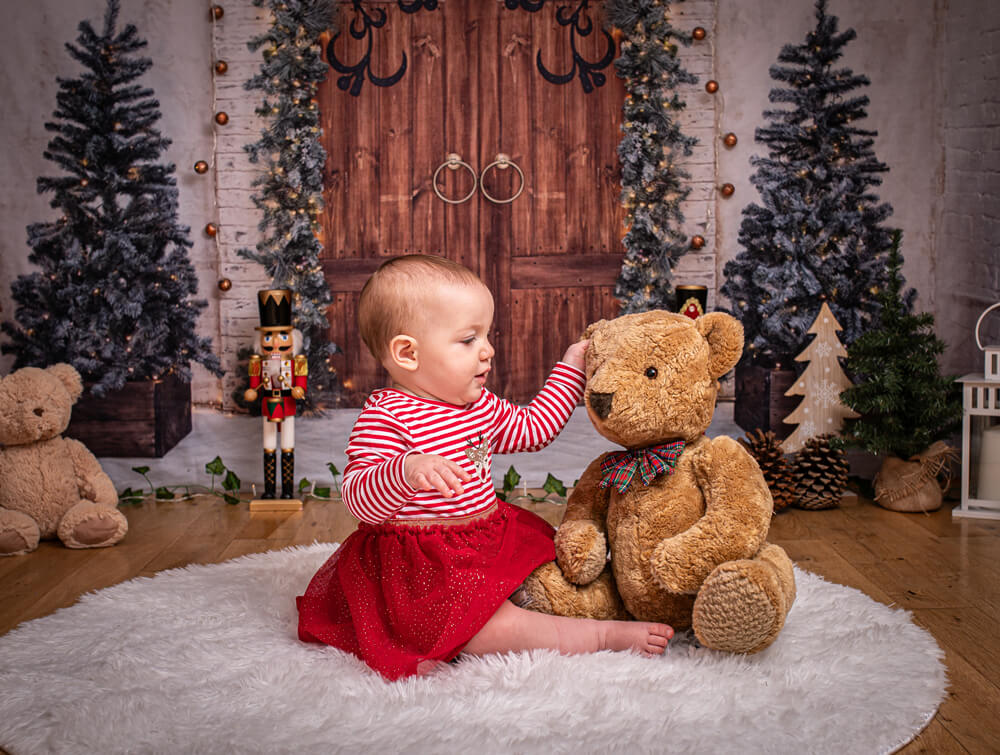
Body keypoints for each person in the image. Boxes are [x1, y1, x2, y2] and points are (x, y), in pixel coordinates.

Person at [296, 255, 672, 680]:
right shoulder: (387, 417)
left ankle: (576, 603)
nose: (488, 349)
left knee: (550, 571)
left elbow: (535, 428)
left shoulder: (479, 406)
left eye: (486, 335)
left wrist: (570, 369)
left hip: (482, 538)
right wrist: (404, 470)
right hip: (423, 569)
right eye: (468, 339)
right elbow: (358, 499)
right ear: (408, 353)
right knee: (482, 628)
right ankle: (598, 637)